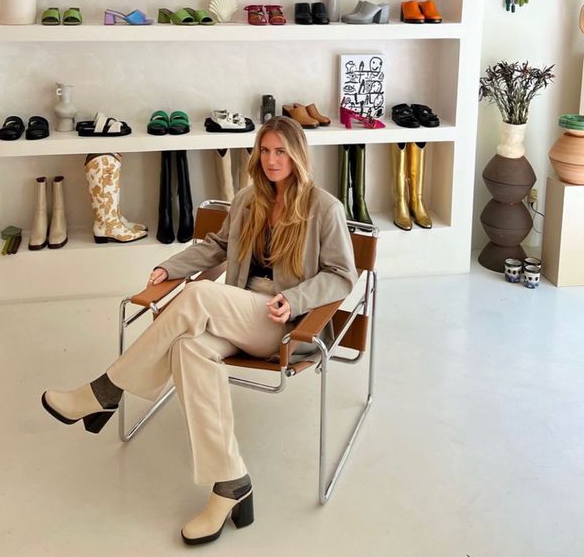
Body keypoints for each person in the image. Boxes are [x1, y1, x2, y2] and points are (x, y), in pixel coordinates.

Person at [42, 115, 357, 545]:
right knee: (188, 348)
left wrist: (297, 299)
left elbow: (342, 274)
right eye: (264, 151)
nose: (271, 160)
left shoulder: (325, 207)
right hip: (240, 311)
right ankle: (230, 482)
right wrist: (169, 267)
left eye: (280, 151)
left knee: (196, 297)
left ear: (298, 154)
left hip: (282, 323)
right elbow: (218, 248)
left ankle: (105, 391)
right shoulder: (249, 200)